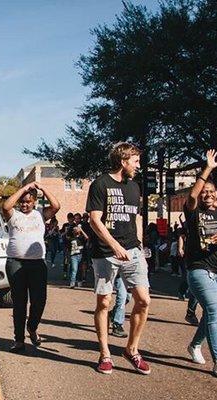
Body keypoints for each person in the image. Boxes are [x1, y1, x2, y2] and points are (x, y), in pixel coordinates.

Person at [86, 142, 151, 375]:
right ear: (123, 161)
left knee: (143, 300)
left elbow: (137, 218)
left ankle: (131, 350)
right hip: (105, 253)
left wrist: (140, 247)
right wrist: (114, 245)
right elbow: (95, 220)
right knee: (104, 303)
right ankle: (105, 354)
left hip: (132, 251)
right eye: (135, 161)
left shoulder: (135, 187)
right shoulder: (100, 184)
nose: (138, 166)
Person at [184, 149, 217, 378]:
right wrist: (207, 169)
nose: (207, 194)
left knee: (211, 314)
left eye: (211, 192)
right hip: (199, 267)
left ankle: (195, 345)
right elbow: (192, 196)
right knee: (214, 311)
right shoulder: (194, 211)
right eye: (204, 191)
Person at [3, 181, 60, 353]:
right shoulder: (13, 215)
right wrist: (24, 189)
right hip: (15, 263)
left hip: (37, 264)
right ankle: (19, 340)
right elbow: (6, 205)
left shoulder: (41, 214)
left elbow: (56, 205)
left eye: (28, 201)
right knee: (19, 303)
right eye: (22, 201)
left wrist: (42, 188)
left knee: (39, 301)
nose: (25, 204)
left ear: (34, 201)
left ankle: (32, 327)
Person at [66, 224, 88, 288]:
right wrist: (67, 257)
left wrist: (81, 230)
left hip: (80, 255)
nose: (76, 231)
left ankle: (79, 281)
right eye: (74, 230)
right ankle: (72, 283)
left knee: (80, 269)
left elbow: (87, 237)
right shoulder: (71, 239)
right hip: (73, 256)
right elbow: (68, 249)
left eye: (76, 229)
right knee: (74, 269)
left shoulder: (81, 238)